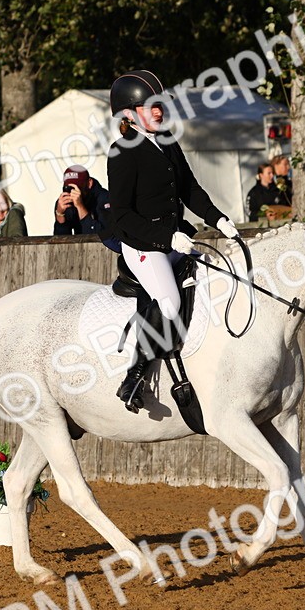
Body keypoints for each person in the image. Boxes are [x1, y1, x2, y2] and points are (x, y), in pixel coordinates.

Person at [106, 69, 239, 410]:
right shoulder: (122, 151)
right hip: (143, 246)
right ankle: (134, 377)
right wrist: (166, 238)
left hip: (177, 239)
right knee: (170, 302)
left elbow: (190, 190)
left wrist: (218, 218)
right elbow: (121, 215)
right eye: (149, 105)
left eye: (159, 104)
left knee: (218, 277)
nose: (158, 110)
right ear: (128, 115)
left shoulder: (167, 141)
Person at [53, 165, 116, 250]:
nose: (73, 192)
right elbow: (60, 243)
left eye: (77, 187)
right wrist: (60, 214)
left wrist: (80, 207)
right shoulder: (65, 201)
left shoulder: (105, 199)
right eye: (68, 188)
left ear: (89, 183)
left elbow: (104, 238)